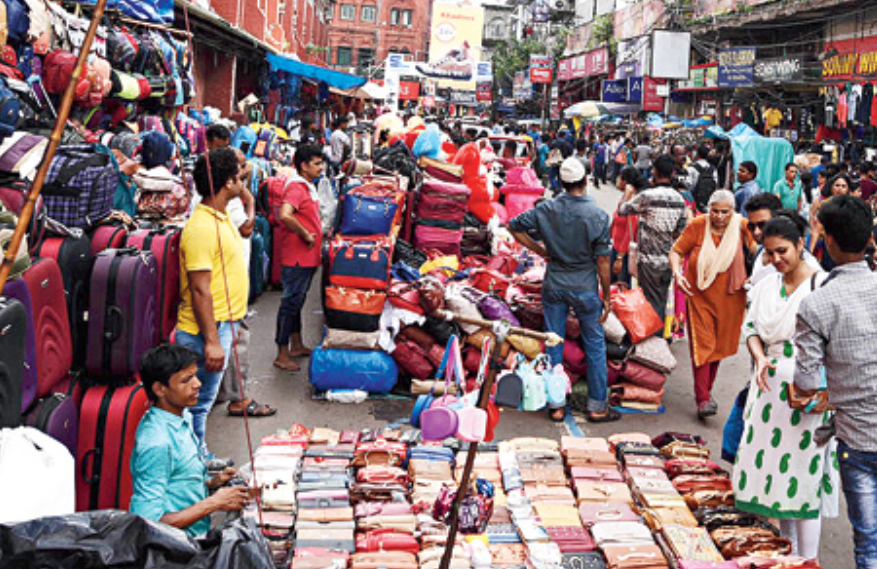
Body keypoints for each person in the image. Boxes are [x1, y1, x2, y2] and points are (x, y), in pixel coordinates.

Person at [732, 213, 838, 561]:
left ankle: (808, 561)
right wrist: (760, 357)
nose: (776, 259)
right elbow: (750, 330)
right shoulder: (765, 286)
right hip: (768, 392)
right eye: (769, 253)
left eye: (783, 251)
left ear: (800, 245)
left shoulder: (822, 286)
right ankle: (786, 553)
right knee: (777, 478)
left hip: (808, 394)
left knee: (804, 479)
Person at [793, 196, 877, 569]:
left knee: (869, 542)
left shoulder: (817, 304)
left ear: (828, 241)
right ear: (869, 238)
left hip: (857, 438)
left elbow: (807, 381)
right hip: (857, 434)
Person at [509, 157, 618, 424]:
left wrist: (541, 251)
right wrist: (607, 295)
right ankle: (597, 406)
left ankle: (556, 405)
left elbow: (514, 226)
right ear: (585, 181)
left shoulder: (547, 209)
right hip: (585, 287)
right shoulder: (598, 216)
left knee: (553, 342)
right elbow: (603, 262)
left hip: (555, 283)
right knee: (595, 345)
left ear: (561, 182)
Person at [130, 344, 249, 536]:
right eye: (186, 380)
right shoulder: (157, 443)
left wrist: (212, 483)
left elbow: (177, 483)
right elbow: (148, 523)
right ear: (160, 389)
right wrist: (214, 503)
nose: (198, 384)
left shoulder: (183, 415)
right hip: (176, 547)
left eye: (195, 375)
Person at [176, 148, 248, 458]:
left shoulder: (220, 217)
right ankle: (197, 461)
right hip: (206, 329)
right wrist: (212, 341)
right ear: (228, 182)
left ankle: (198, 457)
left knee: (200, 402)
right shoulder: (202, 228)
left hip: (222, 324)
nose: (243, 180)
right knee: (197, 403)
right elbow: (199, 289)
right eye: (239, 176)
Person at [670, 190, 756, 419]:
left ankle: (706, 392)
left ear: (733, 211)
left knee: (718, 348)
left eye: (724, 212)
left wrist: (755, 276)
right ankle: (703, 399)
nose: (719, 216)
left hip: (731, 299)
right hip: (699, 296)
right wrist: (677, 274)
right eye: (715, 211)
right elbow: (676, 251)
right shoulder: (698, 225)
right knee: (703, 346)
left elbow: (758, 251)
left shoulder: (741, 226)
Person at [216, 149, 276, 418]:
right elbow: (246, 228)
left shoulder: (216, 198)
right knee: (236, 336)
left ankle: (220, 392)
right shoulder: (230, 200)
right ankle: (238, 399)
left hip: (229, 275)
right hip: (229, 279)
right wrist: (249, 200)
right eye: (240, 167)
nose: (246, 171)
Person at [618, 155, 688, 322]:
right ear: (673, 174)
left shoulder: (648, 196)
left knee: (649, 303)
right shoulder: (679, 199)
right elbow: (680, 231)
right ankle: (659, 333)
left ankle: (652, 335)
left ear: (654, 172)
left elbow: (622, 210)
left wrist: (627, 193)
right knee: (661, 301)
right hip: (668, 260)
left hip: (648, 262)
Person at [274, 145, 324, 372]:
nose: (321, 168)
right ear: (304, 166)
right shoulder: (296, 187)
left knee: (297, 301)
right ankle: (282, 353)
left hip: (305, 256)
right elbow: (285, 215)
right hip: (297, 256)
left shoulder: (306, 186)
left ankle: (296, 344)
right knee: (290, 302)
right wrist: (305, 233)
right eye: (317, 163)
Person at [745, 194, 822, 287]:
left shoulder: (811, 271)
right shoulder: (760, 252)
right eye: (751, 226)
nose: (756, 232)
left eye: (762, 225)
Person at [610, 166, 645, 286]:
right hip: (616, 248)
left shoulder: (632, 202)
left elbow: (630, 231)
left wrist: (620, 257)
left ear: (625, 181)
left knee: (621, 286)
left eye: (619, 178)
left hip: (623, 253)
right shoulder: (625, 199)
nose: (617, 180)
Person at [687, 144, 719, 213]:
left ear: (697, 155)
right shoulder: (713, 169)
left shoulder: (691, 168)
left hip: (695, 204)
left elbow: (689, 186)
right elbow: (716, 184)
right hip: (709, 203)